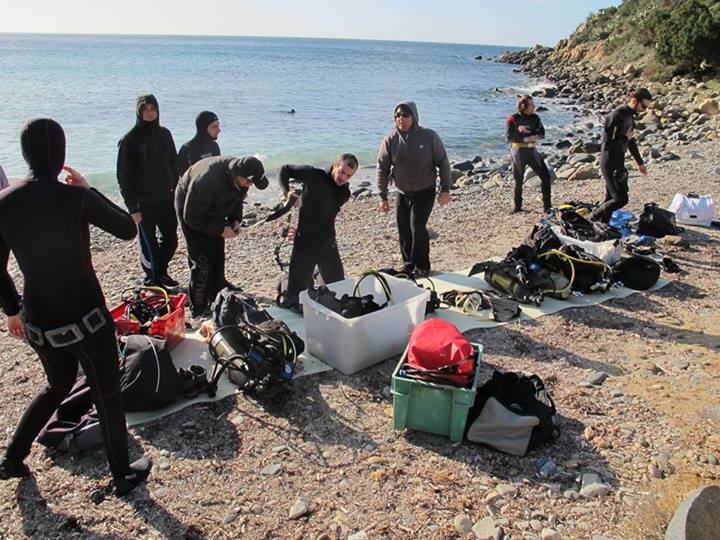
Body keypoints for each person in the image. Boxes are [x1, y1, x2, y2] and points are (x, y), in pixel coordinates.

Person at [0, 118, 151, 495]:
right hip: (87, 320)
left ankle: (11, 459)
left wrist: (11, 310)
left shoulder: (4, 202)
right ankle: (121, 474)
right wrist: (90, 190)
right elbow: (127, 229)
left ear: (24, 154)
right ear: (63, 153)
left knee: (57, 385)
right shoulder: (77, 198)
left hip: (38, 321)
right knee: (107, 394)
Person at [175, 156, 268, 320]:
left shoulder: (240, 178)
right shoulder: (206, 180)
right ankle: (199, 307)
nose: (249, 185)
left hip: (214, 203)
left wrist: (235, 219)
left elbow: (237, 197)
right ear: (237, 175)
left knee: (218, 254)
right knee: (202, 260)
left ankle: (218, 290)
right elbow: (191, 217)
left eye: (251, 183)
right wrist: (220, 229)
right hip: (190, 208)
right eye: (247, 182)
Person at [377, 101, 452, 276]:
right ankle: (408, 265)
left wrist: (445, 189)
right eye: (397, 115)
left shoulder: (429, 136)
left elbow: (443, 161)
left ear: (414, 117)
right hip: (402, 192)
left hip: (425, 190)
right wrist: (382, 196)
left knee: (417, 226)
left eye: (405, 115)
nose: (400, 119)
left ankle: (423, 266)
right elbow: (382, 167)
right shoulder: (390, 139)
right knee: (403, 229)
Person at [277, 154, 358, 308]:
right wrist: (286, 192)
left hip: (327, 243)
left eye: (348, 176)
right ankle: (286, 278)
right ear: (335, 165)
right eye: (341, 172)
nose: (343, 178)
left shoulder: (344, 193)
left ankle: (315, 273)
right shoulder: (313, 175)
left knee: (338, 291)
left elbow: (324, 215)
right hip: (304, 241)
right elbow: (284, 170)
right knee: (294, 298)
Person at [117, 94, 180, 288]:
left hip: (165, 199)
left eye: (153, 109)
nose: (150, 113)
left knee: (171, 241)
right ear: (139, 112)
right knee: (149, 246)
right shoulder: (129, 140)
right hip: (143, 203)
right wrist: (132, 207)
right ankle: (154, 279)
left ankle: (159, 274)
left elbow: (174, 164)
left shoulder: (165, 134)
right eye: (145, 110)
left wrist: (175, 189)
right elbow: (123, 176)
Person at [591, 88, 652, 223]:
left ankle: (602, 224)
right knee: (620, 199)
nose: (644, 110)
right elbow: (607, 143)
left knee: (609, 197)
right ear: (635, 101)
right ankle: (593, 218)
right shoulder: (617, 115)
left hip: (618, 161)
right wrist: (625, 138)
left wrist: (640, 162)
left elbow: (631, 141)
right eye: (643, 106)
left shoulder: (630, 117)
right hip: (609, 160)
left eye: (647, 107)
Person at [506, 95, 553, 213]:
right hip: (518, 152)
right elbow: (510, 137)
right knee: (518, 180)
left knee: (546, 177)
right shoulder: (512, 118)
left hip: (532, 152)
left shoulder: (535, 118)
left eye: (533, 104)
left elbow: (542, 133)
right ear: (523, 106)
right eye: (532, 104)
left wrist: (526, 132)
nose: (534, 106)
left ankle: (547, 207)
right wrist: (527, 137)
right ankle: (517, 207)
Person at [177, 111, 221, 176]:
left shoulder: (214, 146)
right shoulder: (187, 149)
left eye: (218, 126)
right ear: (204, 128)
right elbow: (183, 178)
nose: (219, 130)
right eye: (214, 126)